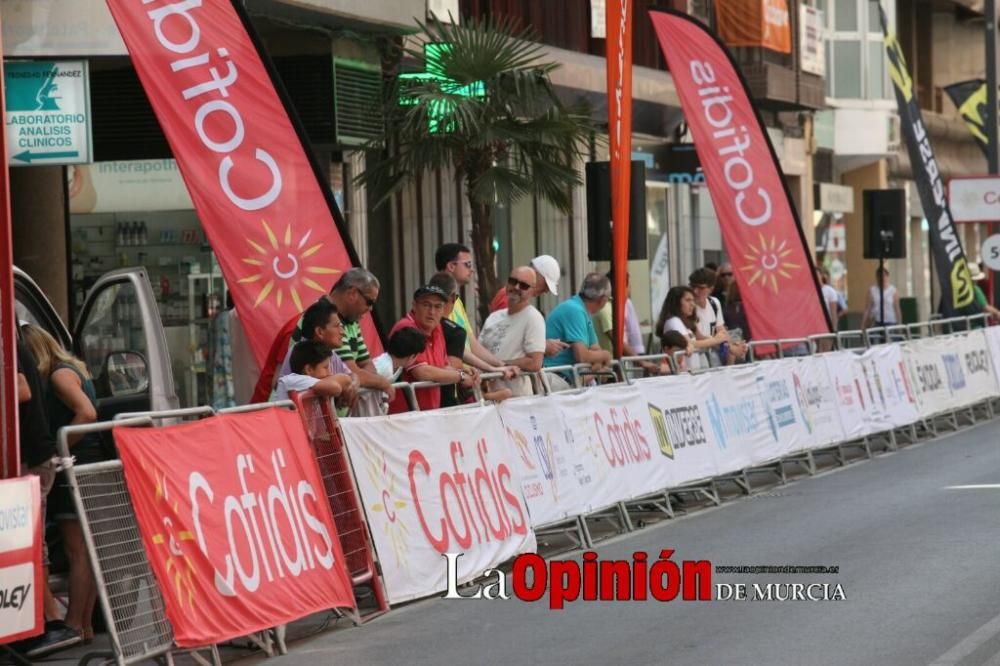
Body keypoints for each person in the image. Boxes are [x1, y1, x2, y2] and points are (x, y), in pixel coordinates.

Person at [20, 325, 105, 647]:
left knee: (77, 551)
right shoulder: (73, 369)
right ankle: (84, 626)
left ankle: (72, 623)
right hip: (87, 464)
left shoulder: (58, 375)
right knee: (86, 551)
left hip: (76, 466)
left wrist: (60, 448)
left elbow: (87, 413)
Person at [388, 285, 480, 413]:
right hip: (402, 416)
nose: (432, 312)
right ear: (414, 306)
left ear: (443, 310)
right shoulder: (406, 327)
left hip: (426, 415)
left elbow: (443, 366)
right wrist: (461, 376)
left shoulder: (436, 328)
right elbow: (422, 372)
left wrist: (465, 371)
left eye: (438, 306)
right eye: (426, 305)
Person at [435, 243, 513, 373]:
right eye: (468, 264)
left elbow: (471, 343)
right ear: (451, 266)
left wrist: (500, 364)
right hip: (453, 376)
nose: (472, 270)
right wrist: (491, 368)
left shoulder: (457, 301)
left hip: (466, 374)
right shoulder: (437, 303)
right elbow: (455, 346)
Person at [276, 300, 357, 410]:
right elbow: (337, 385)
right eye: (337, 326)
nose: (342, 332)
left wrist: (352, 386)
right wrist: (342, 383)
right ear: (319, 331)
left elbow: (351, 377)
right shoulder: (298, 353)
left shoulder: (330, 354)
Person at [480, 266, 548, 396]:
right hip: (488, 399)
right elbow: (478, 351)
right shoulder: (493, 317)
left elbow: (535, 363)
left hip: (517, 401)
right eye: (513, 281)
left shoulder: (533, 317)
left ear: (532, 291)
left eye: (523, 285)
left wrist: (501, 366)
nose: (516, 287)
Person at [543, 273, 614, 389]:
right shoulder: (575, 310)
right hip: (555, 378)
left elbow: (595, 349)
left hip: (565, 378)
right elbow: (582, 356)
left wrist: (598, 360)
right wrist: (606, 355)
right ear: (603, 300)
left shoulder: (581, 310)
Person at [655, 285, 724, 370]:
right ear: (676, 302)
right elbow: (689, 343)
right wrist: (714, 340)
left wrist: (717, 337)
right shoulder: (674, 321)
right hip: (684, 373)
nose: (692, 304)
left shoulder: (687, 321)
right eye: (688, 300)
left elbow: (700, 338)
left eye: (693, 300)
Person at [689, 267, 746, 364]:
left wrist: (733, 345)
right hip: (691, 357)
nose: (695, 291)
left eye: (701, 288)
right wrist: (732, 348)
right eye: (692, 286)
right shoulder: (688, 307)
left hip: (706, 357)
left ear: (711, 289)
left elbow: (722, 331)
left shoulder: (714, 303)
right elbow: (699, 337)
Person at [275, 341, 355, 401]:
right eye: (325, 367)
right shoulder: (293, 380)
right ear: (309, 370)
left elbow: (347, 380)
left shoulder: (311, 384)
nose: (330, 373)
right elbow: (336, 388)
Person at [593, 271, 645, 356]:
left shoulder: (622, 305)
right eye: (628, 286)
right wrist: (641, 362)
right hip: (609, 365)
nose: (629, 289)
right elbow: (617, 341)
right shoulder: (605, 308)